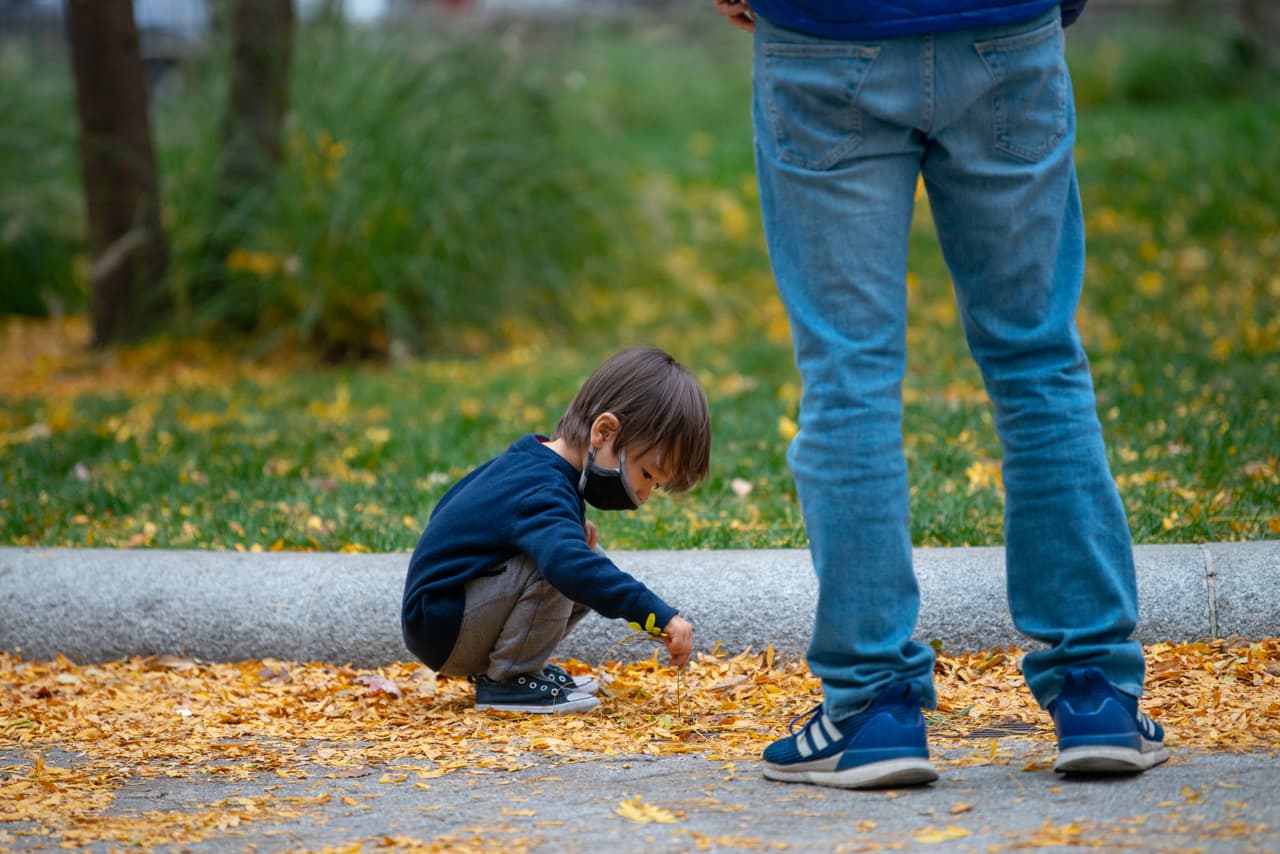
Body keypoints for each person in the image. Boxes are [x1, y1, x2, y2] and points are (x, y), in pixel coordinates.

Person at [711, 0, 1168, 786]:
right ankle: (1096, 695)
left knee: (848, 375)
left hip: (826, 37)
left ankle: (873, 710)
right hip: (1003, 29)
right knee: (1037, 361)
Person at [401, 346, 711, 714]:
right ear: (604, 432)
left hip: (446, 617)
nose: (643, 496)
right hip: (443, 625)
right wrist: (655, 614)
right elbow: (569, 565)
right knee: (565, 563)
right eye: (646, 475)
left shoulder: (534, 465)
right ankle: (510, 680)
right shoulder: (541, 489)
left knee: (574, 551)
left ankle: (520, 668)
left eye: (655, 486)